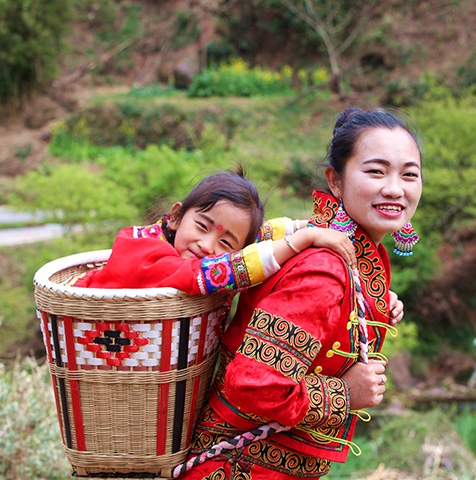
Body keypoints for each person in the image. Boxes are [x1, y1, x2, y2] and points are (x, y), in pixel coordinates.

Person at [177, 107, 423, 479]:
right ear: (335, 181)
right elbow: (252, 385)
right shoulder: (322, 269)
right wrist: (344, 393)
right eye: (376, 171)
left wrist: (376, 305)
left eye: (409, 174)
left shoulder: (341, 261)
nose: (395, 188)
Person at [71, 167, 356, 292]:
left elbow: (254, 238)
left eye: (224, 242)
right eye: (202, 226)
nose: (208, 245)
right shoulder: (148, 253)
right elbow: (223, 270)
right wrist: (304, 238)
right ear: (176, 216)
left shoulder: (186, 245)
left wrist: (312, 226)